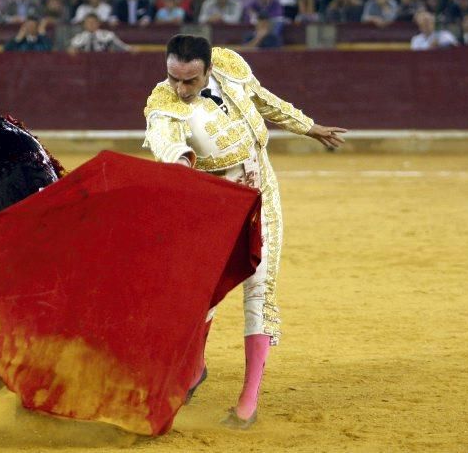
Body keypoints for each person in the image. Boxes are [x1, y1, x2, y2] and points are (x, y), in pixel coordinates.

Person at [143, 34, 345, 429]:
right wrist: (181, 167)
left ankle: (247, 402)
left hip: (262, 195)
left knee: (259, 290)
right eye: (174, 78)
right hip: (213, 207)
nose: (180, 89)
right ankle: (192, 368)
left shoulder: (231, 65)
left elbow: (263, 99)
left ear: (208, 68)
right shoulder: (163, 103)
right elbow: (165, 142)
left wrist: (309, 127)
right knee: (202, 294)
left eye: (190, 80)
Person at [68, 12, 132, 52]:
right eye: (88, 22)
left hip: (104, 66)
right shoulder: (78, 38)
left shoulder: (108, 35)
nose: (91, 24)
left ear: (98, 23)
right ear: (84, 25)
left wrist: (130, 49)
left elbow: (121, 47)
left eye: (93, 22)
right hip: (84, 66)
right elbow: (71, 51)